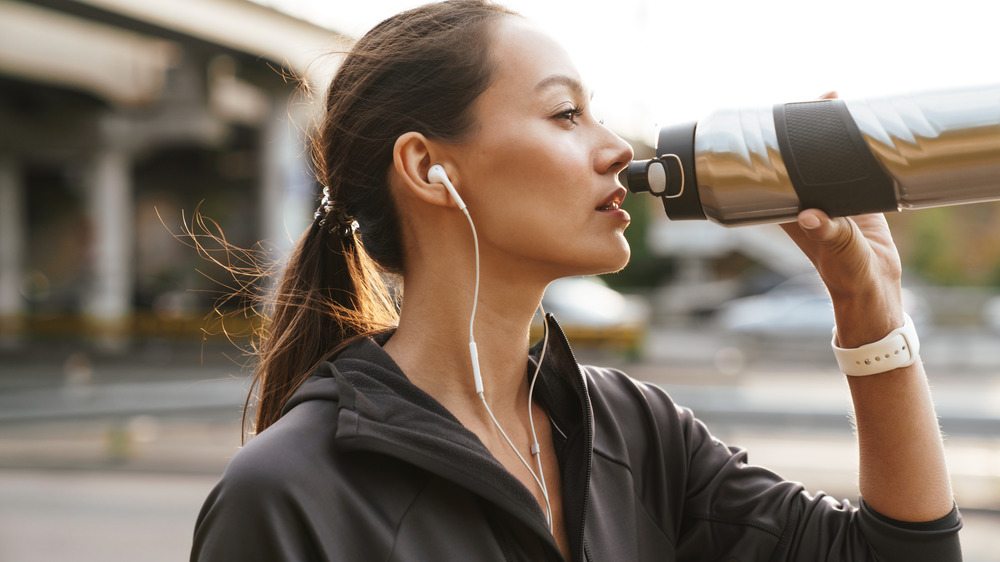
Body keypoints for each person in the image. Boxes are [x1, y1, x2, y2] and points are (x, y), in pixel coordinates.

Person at [190, 1, 963, 560]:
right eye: (566, 114)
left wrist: (871, 309)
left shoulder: (638, 432)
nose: (617, 150)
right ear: (429, 168)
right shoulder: (292, 495)